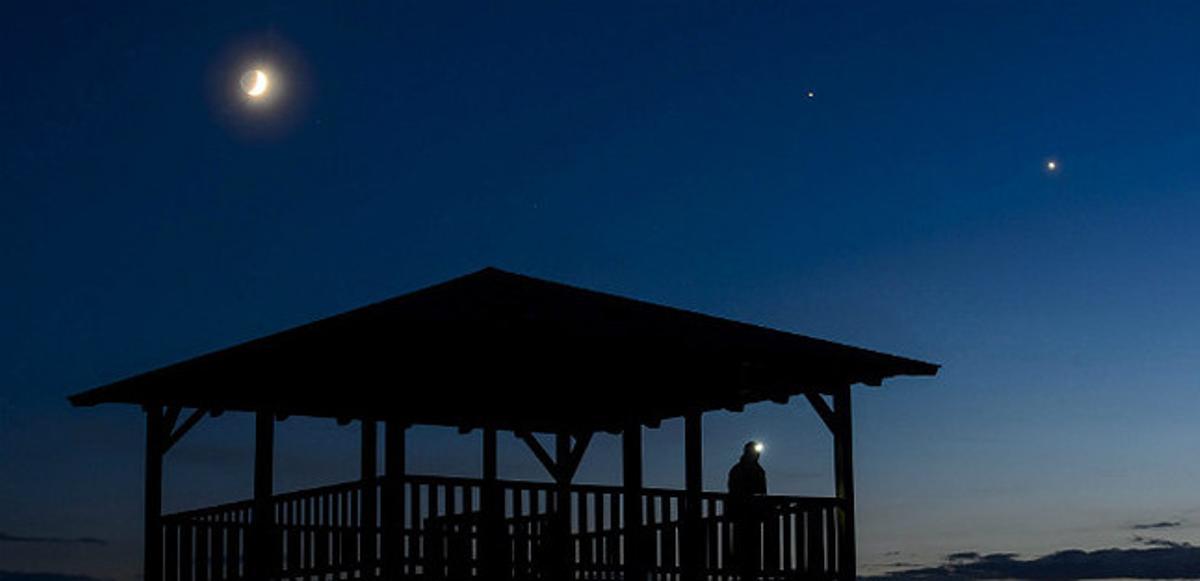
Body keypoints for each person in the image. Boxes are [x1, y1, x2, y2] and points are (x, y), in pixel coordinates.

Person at [727, 441, 767, 578]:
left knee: (752, 551)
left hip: (753, 516)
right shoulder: (738, 470)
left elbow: (762, 492)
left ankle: (748, 572)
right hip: (742, 514)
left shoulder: (758, 470)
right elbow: (734, 490)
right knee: (742, 549)